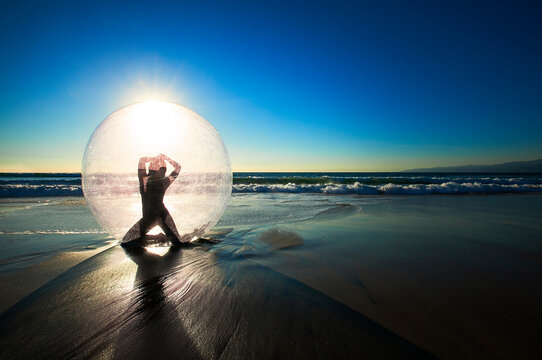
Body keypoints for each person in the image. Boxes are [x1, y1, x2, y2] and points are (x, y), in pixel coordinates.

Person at [122, 153, 184, 247]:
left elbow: (142, 160)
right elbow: (178, 167)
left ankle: (161, 237)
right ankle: (159, 237)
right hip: (151, 218)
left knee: (179, 243)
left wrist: (156, 159)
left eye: (163, 169)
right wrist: (164, 158)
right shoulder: (150, 179)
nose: (162, 172)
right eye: (162, 169)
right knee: (126, 242)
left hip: (160, 216)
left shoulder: (148, 179)